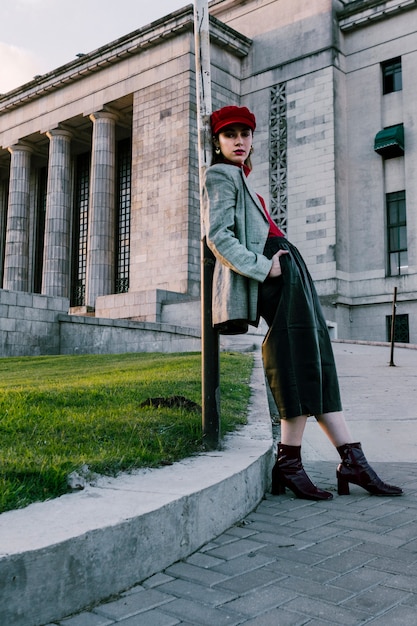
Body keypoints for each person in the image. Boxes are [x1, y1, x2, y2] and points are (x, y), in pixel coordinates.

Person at [202, 105, 403, 501]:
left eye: (245, 134)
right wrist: (264, 268)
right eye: (230, 135)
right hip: (275, 274)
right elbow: (218, 236)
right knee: (297, 360)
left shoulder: (242, 179)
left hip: (290, 270)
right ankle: (303, 462)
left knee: (315, 360)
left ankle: (337, 460)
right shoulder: (220, 175)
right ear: (217, 141)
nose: (239, 141)